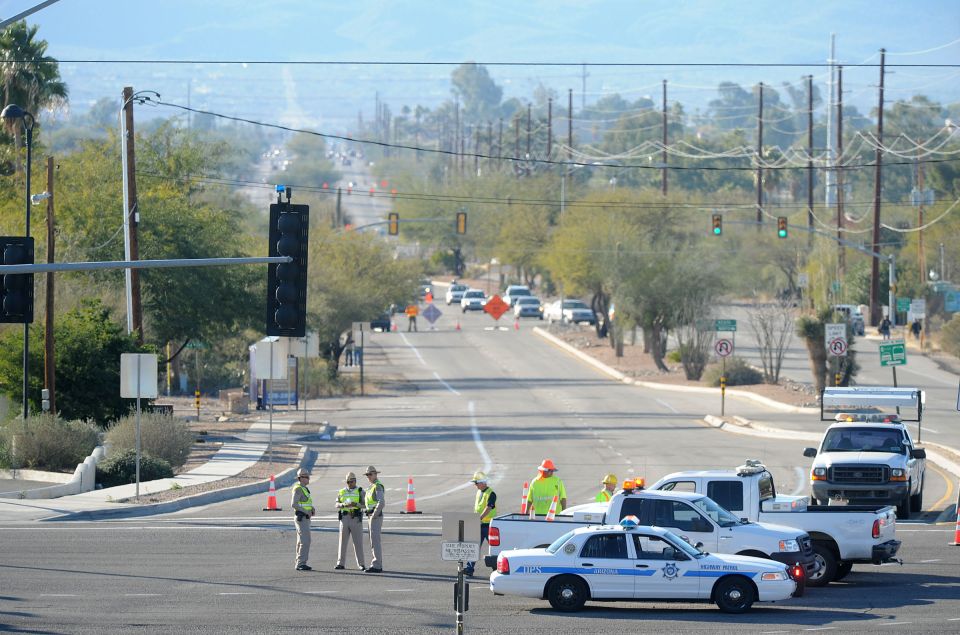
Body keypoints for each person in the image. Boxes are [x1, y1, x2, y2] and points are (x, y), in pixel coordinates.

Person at [464, 471, 497, 577]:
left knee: (493, 548)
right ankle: (469, 568)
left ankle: (497, 568)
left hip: (488, 525)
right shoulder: (479, 492)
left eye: (476, 483)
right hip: (479, 524)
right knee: (474, 547)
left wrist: (480, 518)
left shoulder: (491, 493)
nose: (475, 485)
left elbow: (489, 507)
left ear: (482, 482)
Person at [335, 471, 366, 571]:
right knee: (342, 542)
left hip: (355, 518)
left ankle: (361, 564)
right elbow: (336, 504)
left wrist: (355, 504)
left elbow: (365, 504)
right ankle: (340, 563)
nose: (350, 483)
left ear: (355, 481)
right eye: (349, 482)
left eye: (352, 481)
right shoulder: (342, 491)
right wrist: (343, 505)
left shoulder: (360, 491)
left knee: (358, 542)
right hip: (344, 518)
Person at [291, 468, 314, 571]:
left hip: (305, 518)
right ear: (300, 478)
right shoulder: (298, 489)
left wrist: (311, 508)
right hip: (301, 518)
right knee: (305, 541)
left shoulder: (304, 488)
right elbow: (294, 504)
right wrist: (306, 511)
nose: (308, 478)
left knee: (301, 541)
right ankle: (301, 563)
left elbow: (304, 503)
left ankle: (299, 562)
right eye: (306, 476)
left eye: (308, 475)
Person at [363, 466, 385, 573]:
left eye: (370, 474)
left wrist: (374, 515)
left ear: (375, 474)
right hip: (371, 516)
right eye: (367, 475)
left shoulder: (377, 486)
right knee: (373, 541)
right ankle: (377, 563)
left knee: (375, 541)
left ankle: (377, 565)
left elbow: (381, 502)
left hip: (375, 516)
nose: (368, 477)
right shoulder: (371, 487)